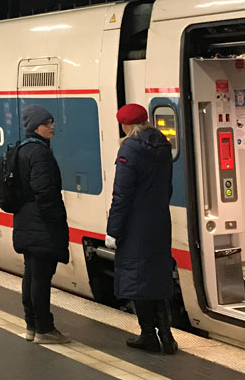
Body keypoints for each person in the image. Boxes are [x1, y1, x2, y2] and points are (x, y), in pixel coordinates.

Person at [105, 103, 178, 354]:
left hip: (136, 224)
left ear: (126, 125)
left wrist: (113, 230)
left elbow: (122, 194)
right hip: (159, 220)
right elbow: (167, 187)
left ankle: (148, 335)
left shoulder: (130, 148)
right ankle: (167, 337)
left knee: (138, 280)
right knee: (157, 277)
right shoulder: (163, 144)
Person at [13, 104, 71, 345]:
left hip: (25, 220)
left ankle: (32, 326)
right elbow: (45, 191)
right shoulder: (40, 153)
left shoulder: (21, 150)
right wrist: (57, 218)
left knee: (31, 275)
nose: (52, 126)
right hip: (40, 224)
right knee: (40, 278)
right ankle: (45, 329)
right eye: (47, 123)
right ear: (36, 126)